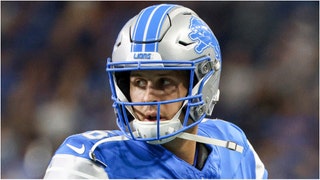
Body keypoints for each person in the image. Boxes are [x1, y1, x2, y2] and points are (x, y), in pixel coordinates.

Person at [44, 4, 268, 178]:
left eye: (164, 83)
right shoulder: (91, 161)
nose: (147, 97)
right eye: (139, 83)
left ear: (203, 84)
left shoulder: (235, 148)